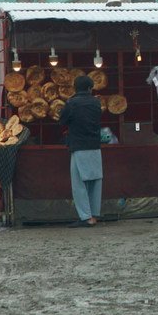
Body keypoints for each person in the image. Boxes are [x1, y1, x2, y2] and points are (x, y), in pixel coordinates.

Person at [60, 75, 103, 227]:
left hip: (78, 146)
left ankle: (86, 217)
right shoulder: (96, 103)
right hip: (95, 146)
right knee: (95, 181)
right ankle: (95, 215)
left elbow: (62, 120)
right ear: (90, 88)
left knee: (79, 184)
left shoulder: (71, 103)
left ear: (75, 88)